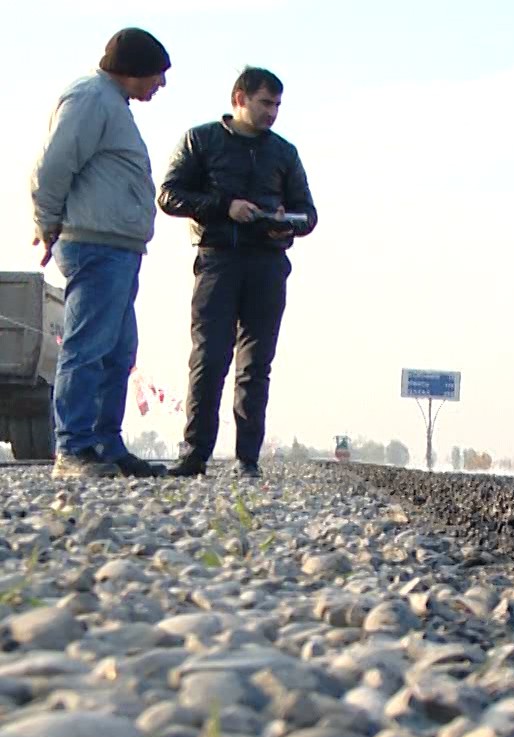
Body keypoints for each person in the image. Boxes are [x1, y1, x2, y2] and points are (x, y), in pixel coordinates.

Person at [158, 66, 318, 478]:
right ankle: (195, 454)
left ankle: (248, 458)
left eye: (278, 105)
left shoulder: (285, 153)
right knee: (209, 358)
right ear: (239, 99)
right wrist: (224, 205)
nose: (273, 113)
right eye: (266, 103)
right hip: (217, 259)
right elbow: (169, 194)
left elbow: (310, 214)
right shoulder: (201, 140)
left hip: (267, 262)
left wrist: (288, 221)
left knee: (256, 363)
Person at [27, 28, 172, 479]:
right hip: (95, 244)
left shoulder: (111, 103)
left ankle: (106, 444)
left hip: (118, 247)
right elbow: (52, 166)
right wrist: (47, 221)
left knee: (118, 349)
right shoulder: (91, 98)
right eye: (156, 75)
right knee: (87, 346)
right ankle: (73, 447)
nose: (160, 85)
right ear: (131, 69)